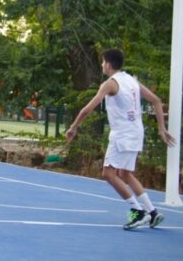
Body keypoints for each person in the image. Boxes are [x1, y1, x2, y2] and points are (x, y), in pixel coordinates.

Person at [66, 49, 176, 230]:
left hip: (122, 134)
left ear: (108, 64)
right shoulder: (132, 80)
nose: (101, 65)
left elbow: (87, 109)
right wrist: (161, 128)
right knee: (125, 174)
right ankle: (153, 212)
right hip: (136, 132)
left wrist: (74, 126)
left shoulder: (110, 84)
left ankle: (138, 212)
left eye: (102, 62)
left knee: (108, 174)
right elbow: (156, 101)